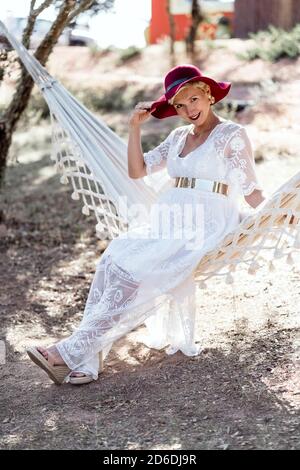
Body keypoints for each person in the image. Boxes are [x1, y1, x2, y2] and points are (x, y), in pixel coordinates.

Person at [27, 64, 266, 385]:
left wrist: (274, 213)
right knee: (114, 258)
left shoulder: (231, 135)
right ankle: (86, 358)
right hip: (169, 221)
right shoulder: (179, 136)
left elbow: (250, 190)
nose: (188, 110)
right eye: (180, 105)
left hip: (205, 222)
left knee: (133, 271)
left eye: (193, 99)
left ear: (209, 94)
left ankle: (67, 351)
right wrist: (135, 127)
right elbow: (138, 170)